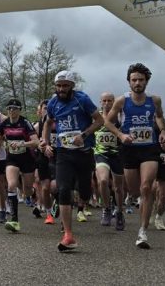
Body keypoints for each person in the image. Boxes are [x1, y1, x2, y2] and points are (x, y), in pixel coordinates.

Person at [104, 63, 165, 249]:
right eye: (134, 80)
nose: (137, 83)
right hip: (129, 148)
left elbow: (160, 116)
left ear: (146, 81)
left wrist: (162, 131)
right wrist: (121, 135)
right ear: (129, 82)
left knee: (146, 187)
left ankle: (142, 231)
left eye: (140, 80)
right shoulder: (121, 101)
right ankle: (135, 199)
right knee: (134, 190)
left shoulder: (154, 100)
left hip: (149, 148)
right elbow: (108, 122)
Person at [41, 70, 103, 252]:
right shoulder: (53, 102)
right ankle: (68, 235)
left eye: (65, 86)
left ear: (72, 86)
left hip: (84, 153)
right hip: (64, 153)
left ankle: (84, 199)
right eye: (58, 86)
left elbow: (99, 121)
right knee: (63, 189)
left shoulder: (82, 99)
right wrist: (45, 141)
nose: (61, 89)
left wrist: (83, 135)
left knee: (84, 191)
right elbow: (47, 123)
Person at [0, 97, 39, 232]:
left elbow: (36, 141)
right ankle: (14, 220)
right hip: (12, 158)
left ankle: (34, 195)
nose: (11, 111)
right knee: (12, 185)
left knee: (27, 190)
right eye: (9, 109)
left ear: (19, 110)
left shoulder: (25, 123)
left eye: (14, 109)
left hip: (27, 158)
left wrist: (22, 144)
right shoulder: (4, 124)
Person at [94, 92, 126, 230]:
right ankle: (106, 209)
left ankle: (119, 211)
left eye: (110, 101)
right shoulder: (96, 116)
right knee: (103, 181)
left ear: (114, 102)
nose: (107, 103)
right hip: (100, 153)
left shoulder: (120, 116)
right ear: (100, 102)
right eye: (104, 101)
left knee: (118, 187)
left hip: (117, 154)